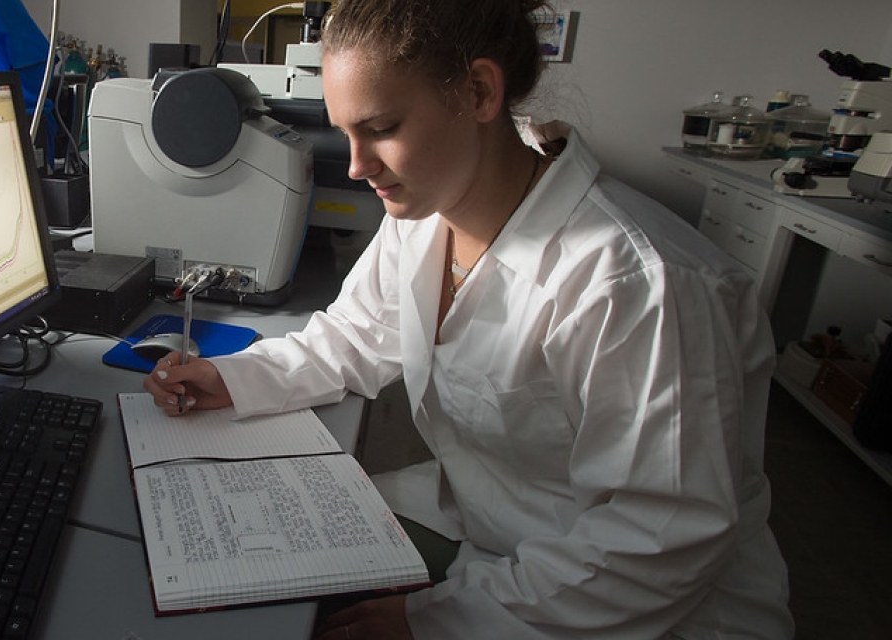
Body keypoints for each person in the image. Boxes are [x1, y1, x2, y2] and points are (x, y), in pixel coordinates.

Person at [142, 0, 795, 637]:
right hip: (503, 543)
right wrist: (231, 377)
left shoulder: (639, 284)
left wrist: (433, 620)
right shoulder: (428, 213)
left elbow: (656, 546)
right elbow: (357, 334)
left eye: (380, 128)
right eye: (346, 133)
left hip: (642, 608)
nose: (356, 166)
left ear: (479, 92)